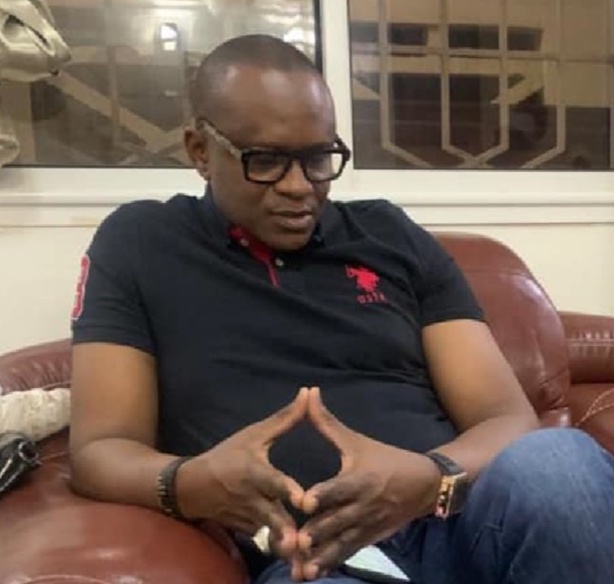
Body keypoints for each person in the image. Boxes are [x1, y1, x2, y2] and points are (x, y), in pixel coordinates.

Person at [69, 34, 614, 584]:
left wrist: (430, 479)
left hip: (450, 522)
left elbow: (508, 419)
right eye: (266, 161)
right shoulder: (141, 244)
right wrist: (192, 482)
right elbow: (100, 449)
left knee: (558, 464)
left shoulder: (389, 235)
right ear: (200, 151)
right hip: (312, 558)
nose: (299, 187)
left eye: (317, 159)